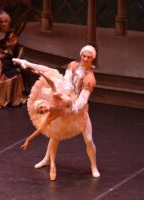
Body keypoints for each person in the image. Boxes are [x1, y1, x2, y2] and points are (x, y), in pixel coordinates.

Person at [12, 45, 100, 181]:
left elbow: (83, 99)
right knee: (55, 134)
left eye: (89, 57)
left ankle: (94, 166)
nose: (85, 59)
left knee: (88, 139)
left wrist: (72, 108)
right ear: (80, 55)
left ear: (92, 59)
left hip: (78, 109)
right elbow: (65, 81)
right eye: (84, 56)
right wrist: (62, 93)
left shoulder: (90, 79)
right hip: (65, 99)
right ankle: (47, 159)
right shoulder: (73, 65)